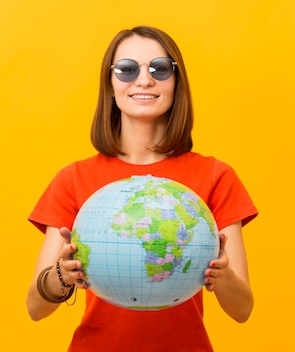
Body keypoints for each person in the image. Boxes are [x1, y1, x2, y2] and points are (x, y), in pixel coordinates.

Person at [26, 25, 258, 351]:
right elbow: (36, 308)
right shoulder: (73, 179)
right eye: (127, 69)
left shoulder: (215, 175)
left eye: (159, 69)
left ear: (177, 83)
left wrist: (223, 276)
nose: (144, 80)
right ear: (110, 84)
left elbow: (242, 310)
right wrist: (63, 274)